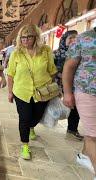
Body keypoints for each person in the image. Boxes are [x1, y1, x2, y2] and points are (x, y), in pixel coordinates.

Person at [7, 24, 57, 160]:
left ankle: (31, 127)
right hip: (21, 91)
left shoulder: (46, 50)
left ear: (36, 37)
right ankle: (25, 145)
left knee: (37, 116)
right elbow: (10, 74)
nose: (25, 40)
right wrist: (10, 92)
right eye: (22, 37)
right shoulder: (16, 53)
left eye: (29, 37)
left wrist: (49, 88)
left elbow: (52, 71)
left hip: (41, 92)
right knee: (24, 118)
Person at [62, 29, 96, 178]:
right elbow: (68, 67)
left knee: (91, 132)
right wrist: (67, 92)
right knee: (93, 135)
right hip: (87, 91)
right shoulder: (84, 38)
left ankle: (84, 156)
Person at [54, 30, 83, 141]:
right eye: (70, 38)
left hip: (75, 85)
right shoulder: (56, 53)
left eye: (75, 38)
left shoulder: (79, 53)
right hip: (57, 84)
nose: (73, 40)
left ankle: (72, 129)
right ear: (64, 40)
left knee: (75, 107)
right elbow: (51, 69)